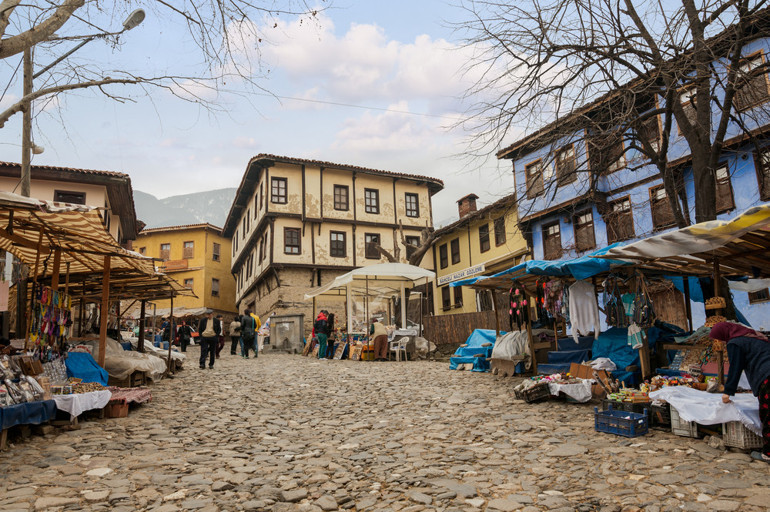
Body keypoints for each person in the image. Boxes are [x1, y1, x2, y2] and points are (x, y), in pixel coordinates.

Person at [710, 322, 770, 462]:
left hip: (767, 378)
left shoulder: (735, 343)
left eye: (719, 339)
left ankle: (768, 454)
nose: (720, 342)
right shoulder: (754, 337)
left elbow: (735, 368)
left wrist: (728, 392)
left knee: (768, 416)